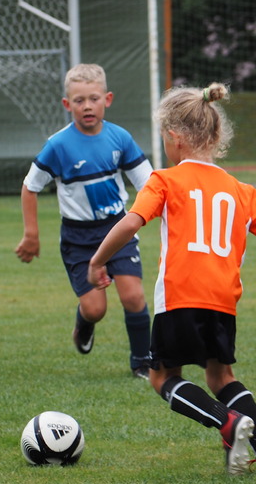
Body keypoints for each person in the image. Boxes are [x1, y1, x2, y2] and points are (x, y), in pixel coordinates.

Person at [87, 83, 256, 476]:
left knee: (162, 377)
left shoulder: (165, 180)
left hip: (180, 295)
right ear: (216, 137)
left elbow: (131, 223)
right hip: (223, 299)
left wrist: (98, 260)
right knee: (221, 376)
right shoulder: (241, 190)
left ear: (174, 137)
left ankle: (227, 422)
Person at [15, 63, 153, 378]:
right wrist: (31, 234)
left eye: (94, 99)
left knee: (133, 296)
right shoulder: (58, 145)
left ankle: (142, 362)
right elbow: (30, 187)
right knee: (96, 308)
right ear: (67, 104)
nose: (87, 106)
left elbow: (148, 183)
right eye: (79, 101)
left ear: (108, 99)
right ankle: (84, 322)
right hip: (78, 238)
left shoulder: (120, 138)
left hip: (117, 229)